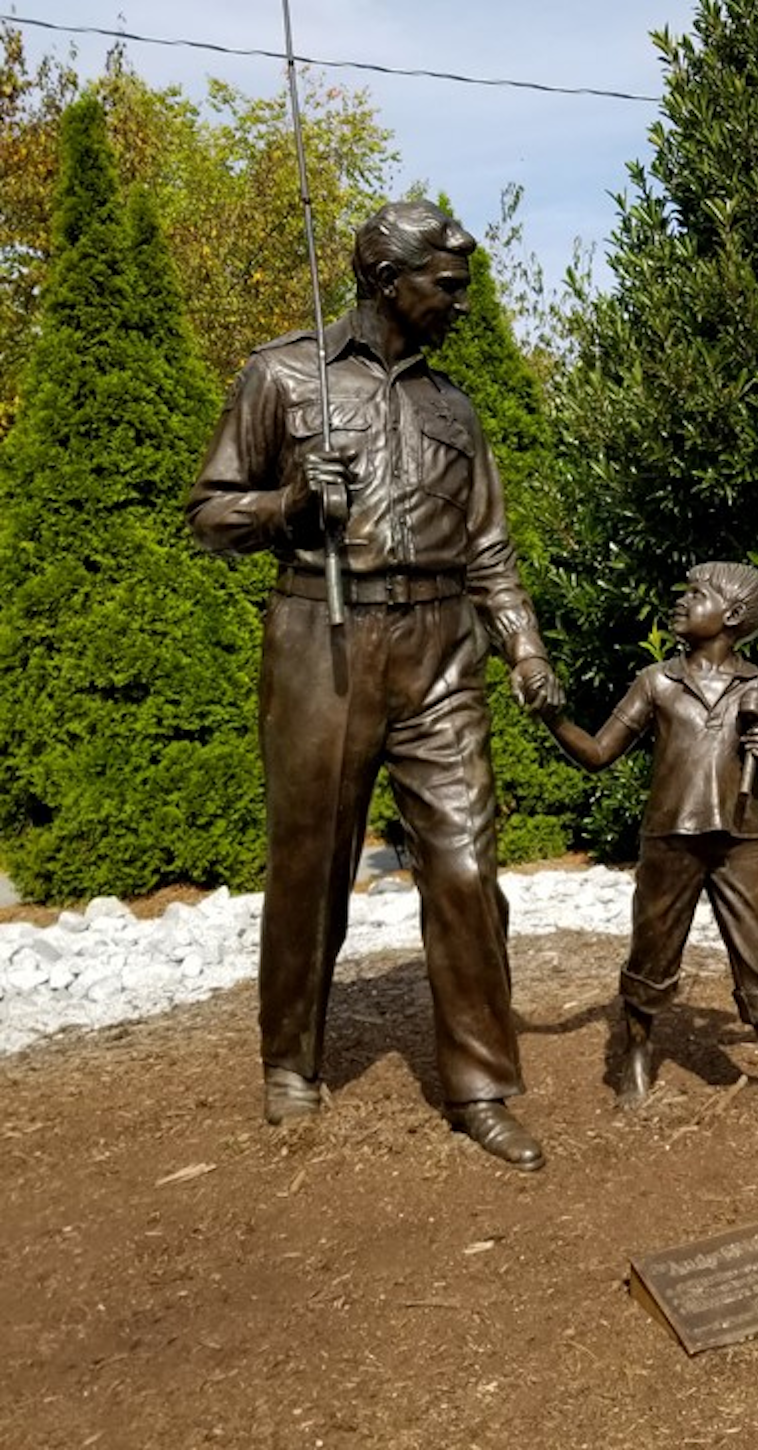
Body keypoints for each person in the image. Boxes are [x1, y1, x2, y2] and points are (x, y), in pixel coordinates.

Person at [187, 200, 561, 1172]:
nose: (462, 306)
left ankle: (481, 1085)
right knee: (314, 859)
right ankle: (291, 1059)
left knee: (467, 863)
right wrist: (288, 502)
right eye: (447, 287)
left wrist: (523, 648)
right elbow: (212, 517)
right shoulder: (280, 377)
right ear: (388, 283)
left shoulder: (455, 408)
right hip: (324, 634)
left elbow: (490, 544)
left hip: (440, 645)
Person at [543, 561, 758, 1111]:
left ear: (732, 615)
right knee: (653, 949)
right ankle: (636, 1056)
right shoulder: (657, 681)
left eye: (696, 594)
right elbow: (597, 754)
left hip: (741, 838)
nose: (681, 602)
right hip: (671, 836)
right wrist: (554, 718)